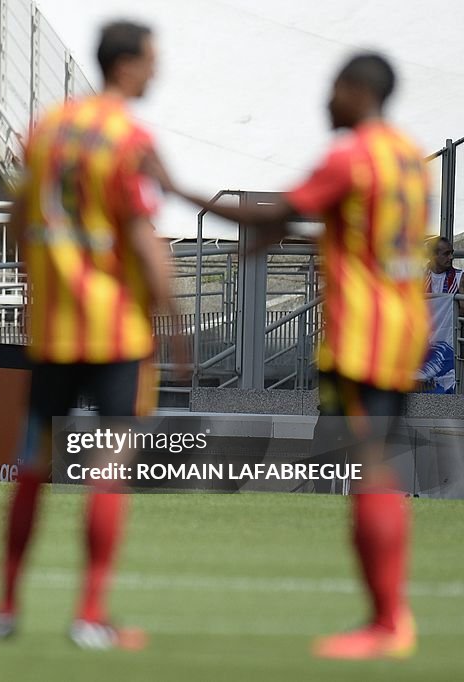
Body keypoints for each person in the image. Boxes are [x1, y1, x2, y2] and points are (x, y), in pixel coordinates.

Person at [158, 53, 426, 660]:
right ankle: (388, 616)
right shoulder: (408, 159)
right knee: (373, 467)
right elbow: (345, 226)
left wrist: (176, 188)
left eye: (333, 88)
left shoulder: (349, 156)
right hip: (400, 333)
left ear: (357, 91)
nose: (326, 99)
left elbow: (278, 212)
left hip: (360, 337)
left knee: (370, 475)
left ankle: (388, 622)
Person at [0, 20, 182, 651]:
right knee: (110, 462)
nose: (157, 71)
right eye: (152, 61)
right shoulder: (127, 137)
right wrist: (176, 319)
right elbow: (144, 236)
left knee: (33, 463)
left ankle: (7, 608)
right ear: (127, 65)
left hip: (54, 327)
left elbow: (17, 216)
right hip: (117, 330)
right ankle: (90, 614)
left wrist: (33, 285)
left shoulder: (48, 129)